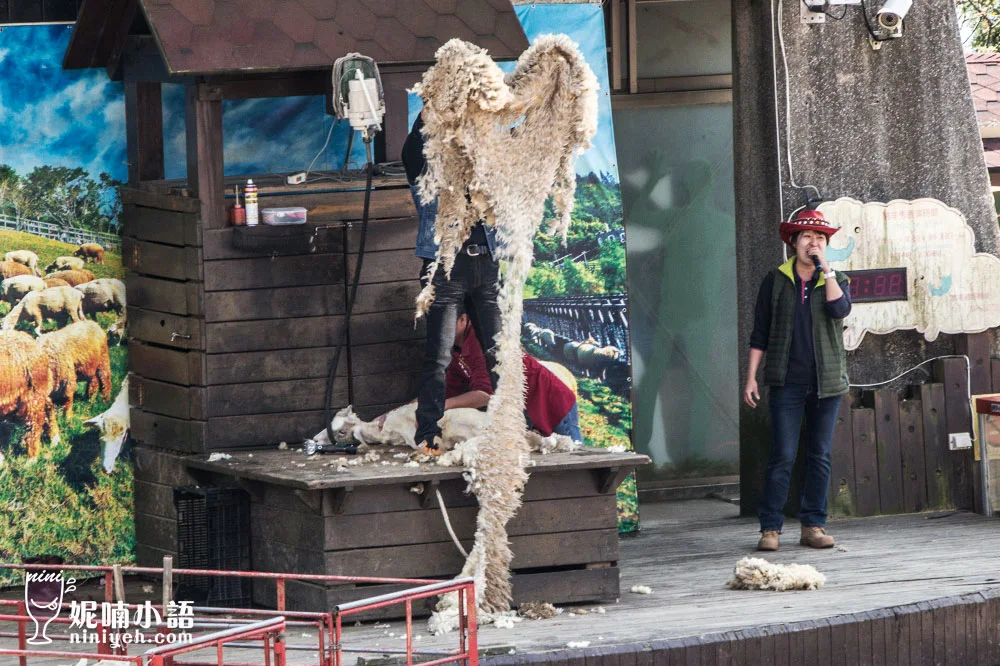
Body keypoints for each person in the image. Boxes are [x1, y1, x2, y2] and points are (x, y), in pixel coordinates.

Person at [744, 209, 852, 552]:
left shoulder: (836, 280)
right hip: (786, 381)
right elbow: (759, 333)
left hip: (827, 382)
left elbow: (840, 311)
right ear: (793, 242)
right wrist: (751, 378)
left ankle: (813, 526)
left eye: (820, 238)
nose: (813, 242)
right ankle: (770, 528)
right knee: (783, 454)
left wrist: (828, 271)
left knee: (819, 455)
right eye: (806, 237)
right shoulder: (774, 280)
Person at [402, 112, 503, 456]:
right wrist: (437, 105)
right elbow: (414, 147)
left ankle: (511, 427)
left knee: (499, 350)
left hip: (485, 262)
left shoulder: (482, 168)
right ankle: (427, 435)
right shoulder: (427, 171)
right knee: (439, 355)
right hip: (445, 267)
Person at [448, 304, 582, 442]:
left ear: (462, 320)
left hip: (552, 406)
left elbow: (484, 395)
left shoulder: (480, 341)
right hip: (528, 413)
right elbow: (452, 390)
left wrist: (441, 407)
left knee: (575, 456)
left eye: (445, 321)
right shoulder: (453, 349)